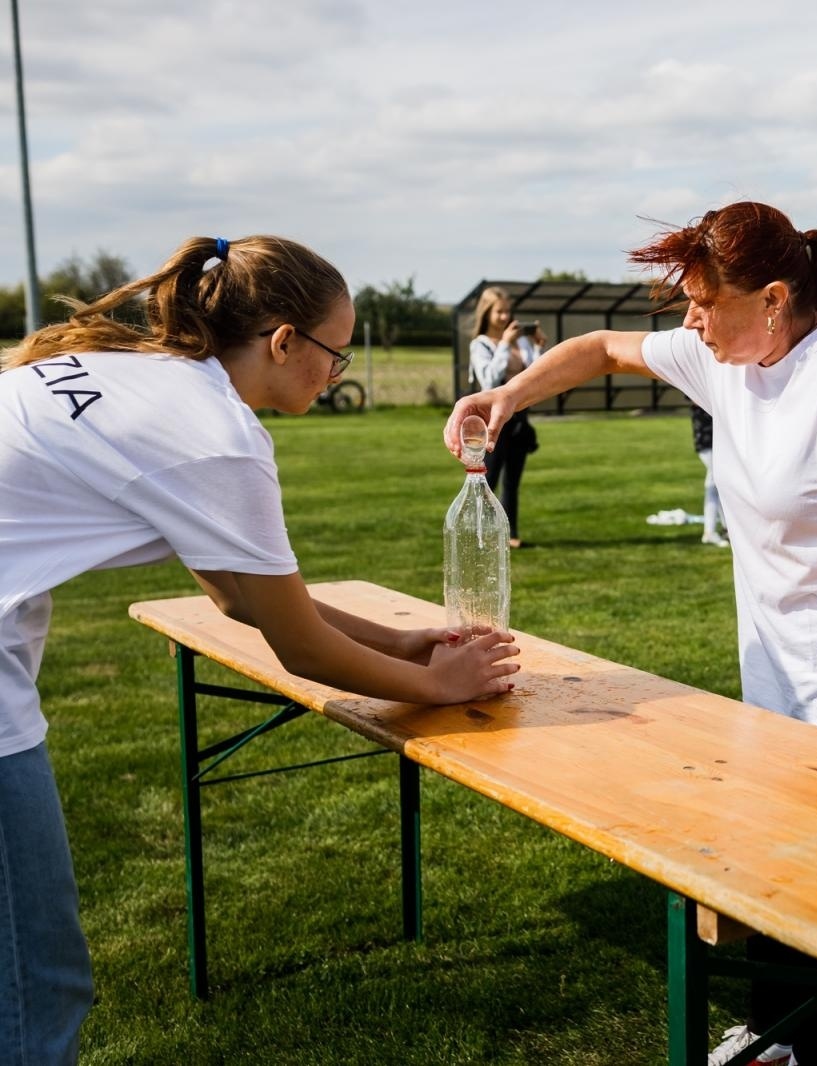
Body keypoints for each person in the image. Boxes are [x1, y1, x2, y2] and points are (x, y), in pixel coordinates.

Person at [445, 201, 817, 1065]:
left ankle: (811, 1046)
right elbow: (599, 349)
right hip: (777, 666)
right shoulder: (725, 359)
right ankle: (781, 1031)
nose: (690, 322)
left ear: (774, 299)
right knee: (776, 862)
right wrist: (508, 395)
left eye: (704, 303)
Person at [0, 235, 521, 1066]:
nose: (337, 373)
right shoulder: (216, 435)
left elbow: (237, 594)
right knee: (36, 986)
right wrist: (435, 684)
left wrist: (402, 641)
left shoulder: (152, 376)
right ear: (284, 341)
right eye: (334, 353)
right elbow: (300, 646)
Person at [468, 287, 545, 548]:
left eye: (507, 311)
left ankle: (510, 535)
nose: (504, 317)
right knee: (486, 480)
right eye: (499, 312)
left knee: (512, 482)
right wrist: (503, 345)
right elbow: (488, 380)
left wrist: (538, 346)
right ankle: (479, 534)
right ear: (487, 313)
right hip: (492, 420)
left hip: (520, 418)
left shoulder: (520, 342)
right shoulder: (480, 345)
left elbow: (537, 375)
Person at [689, 403, 728, 547]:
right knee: (715, 484)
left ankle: (721, 529)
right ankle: (713, 531)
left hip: (712, 440)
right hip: (707, 440)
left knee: (715, 484)